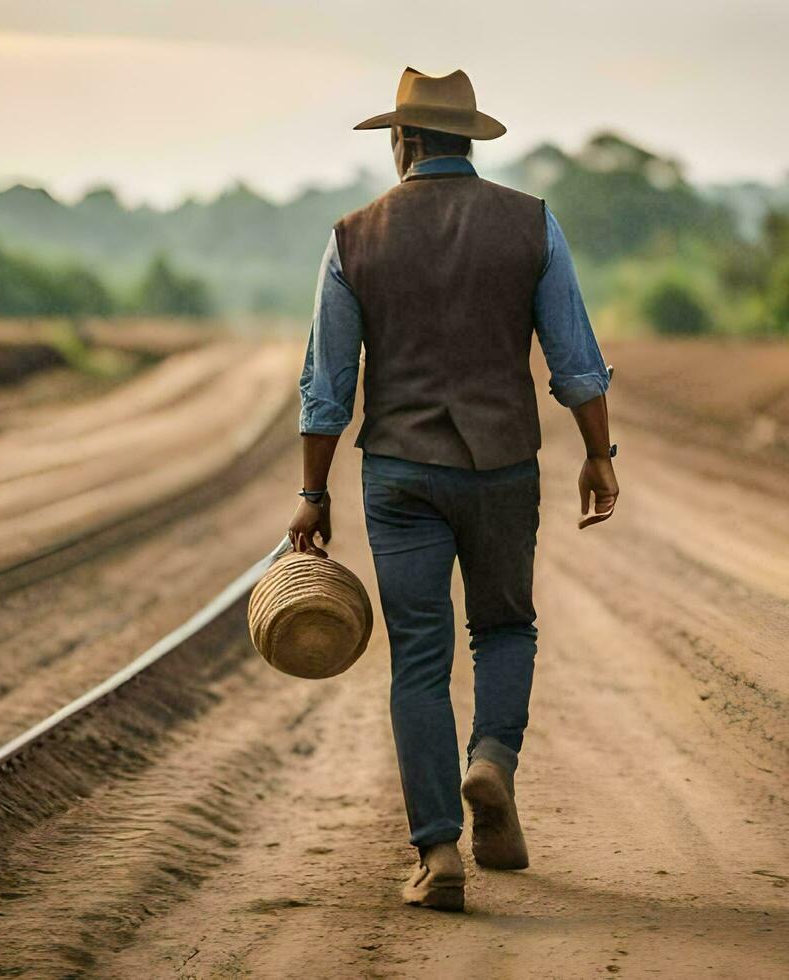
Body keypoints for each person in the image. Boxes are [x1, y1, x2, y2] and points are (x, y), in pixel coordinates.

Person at [288, 67, 619, 912]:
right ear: (468, 140)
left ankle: (438, 855)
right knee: (506, 627)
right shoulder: (532, 224)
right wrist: (599, 452)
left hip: (399, 473)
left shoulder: (352, 237)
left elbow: (328, 385)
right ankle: (492, 762)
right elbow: (575, 359)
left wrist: (313, 493)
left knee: (420, 659)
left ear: (401, 142)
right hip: (503, 465)